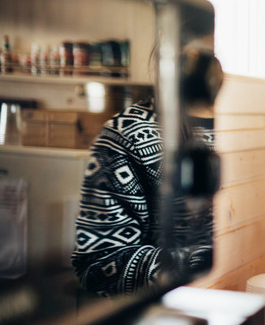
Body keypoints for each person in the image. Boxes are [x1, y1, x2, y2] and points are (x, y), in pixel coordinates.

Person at [72, 98, 216, 297]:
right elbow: (99, 263)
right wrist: (203, 263)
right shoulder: (127, 134)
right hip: (170, 318)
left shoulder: (255, 128)